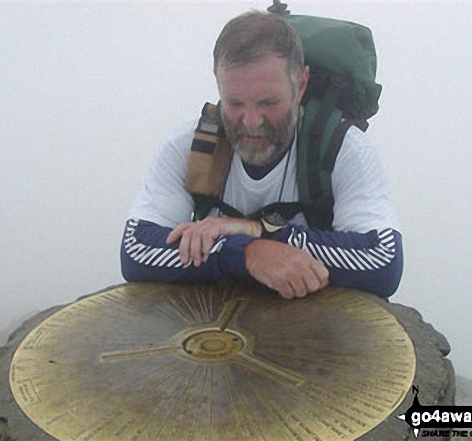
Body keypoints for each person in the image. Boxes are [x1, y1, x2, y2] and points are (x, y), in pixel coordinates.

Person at [121, 11, 402, 299]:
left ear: (301, 84)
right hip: (212, 334)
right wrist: (246, 254)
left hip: (315, 335)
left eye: (268, 102)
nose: (251, 121)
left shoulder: (341, 148)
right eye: (235, 102)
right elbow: (135, 251)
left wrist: (259, 232)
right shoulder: (188, 146)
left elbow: (383, 261)